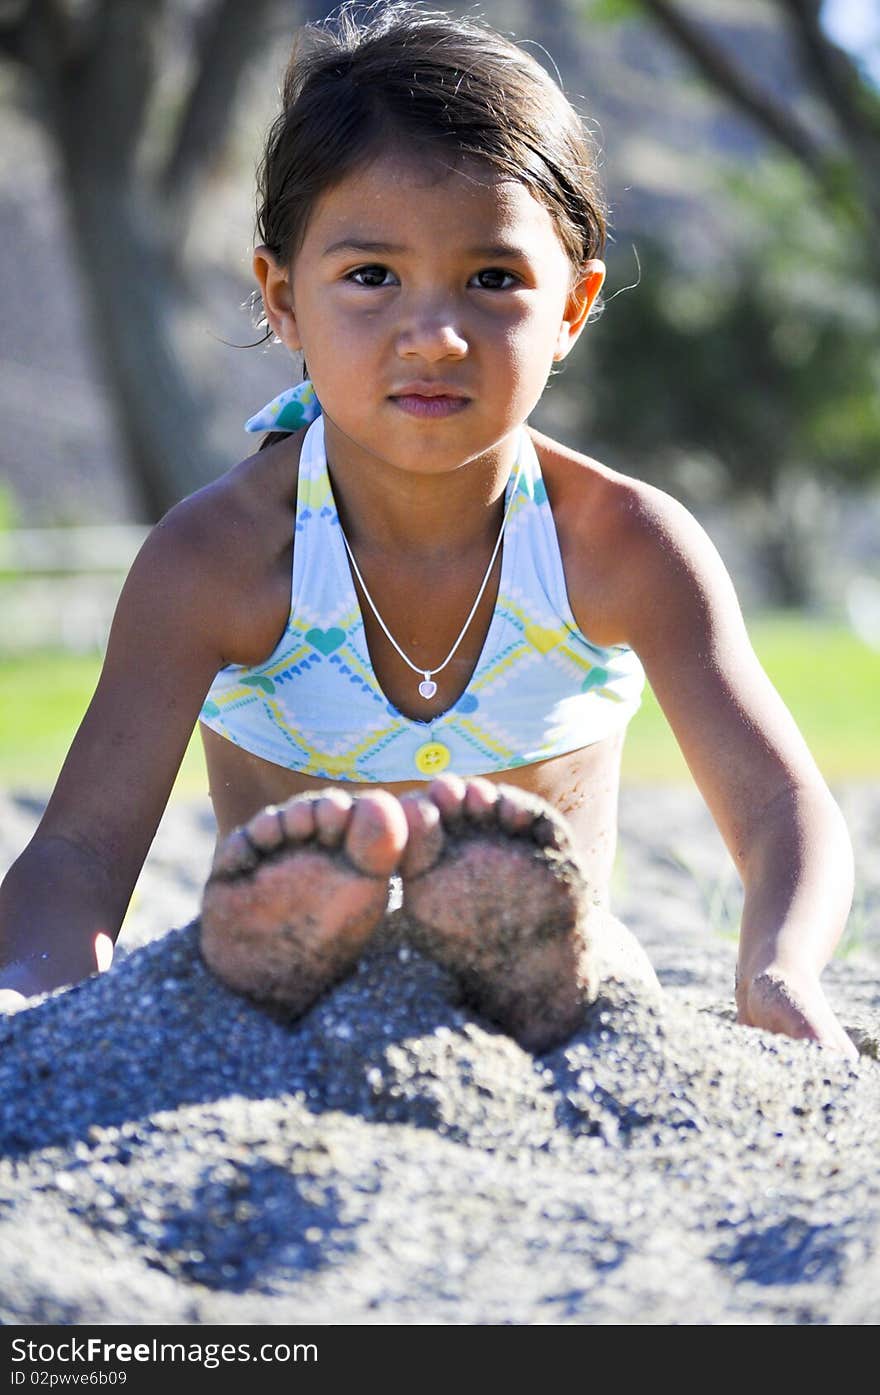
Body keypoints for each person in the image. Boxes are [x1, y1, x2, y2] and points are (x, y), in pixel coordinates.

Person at [0, 2, 857, 1058]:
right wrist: (34, 1009)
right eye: (370, 277)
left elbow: (780, 807)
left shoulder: (622, 544)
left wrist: (777, 968)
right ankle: (307, 919)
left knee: (579, 944)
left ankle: (510, 928)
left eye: (493, 281)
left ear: (574, 308)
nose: (436, 336)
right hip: (289, 996)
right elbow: (81, 854)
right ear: (282, 298)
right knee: (269, 939)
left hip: (549, 994)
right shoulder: (217, 559)